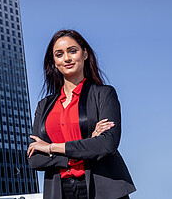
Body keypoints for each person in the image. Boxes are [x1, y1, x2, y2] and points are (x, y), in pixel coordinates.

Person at [27, 30, 135, 199]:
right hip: (60, 191)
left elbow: (107, 145)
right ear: (54, 62)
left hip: (103, 189)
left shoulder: (104, 94)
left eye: (72, 51)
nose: (67, 58)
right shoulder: (45, 105)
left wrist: (51, 148)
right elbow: (35, 159)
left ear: (84, 54)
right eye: (59, 54)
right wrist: (87, 145)